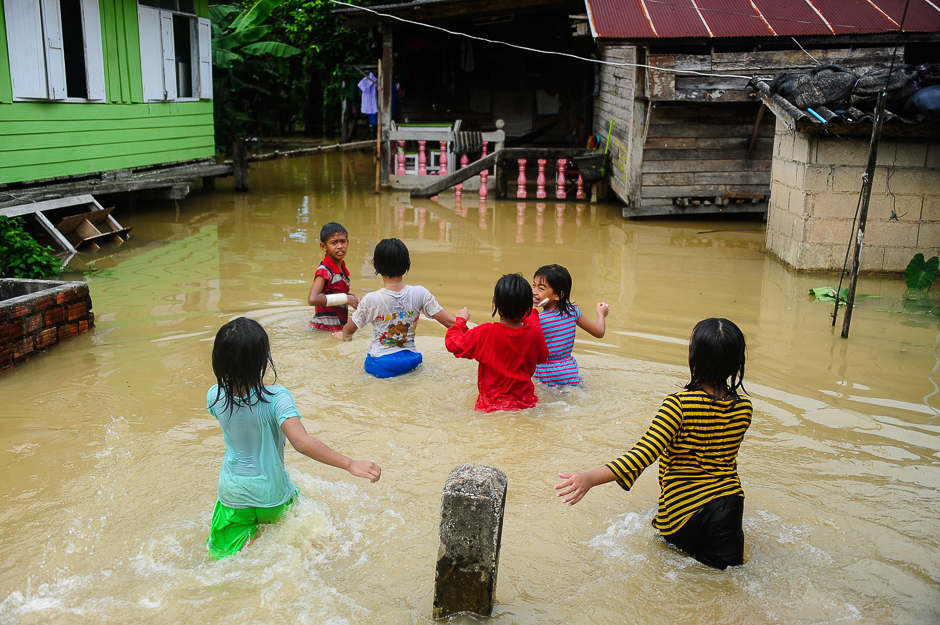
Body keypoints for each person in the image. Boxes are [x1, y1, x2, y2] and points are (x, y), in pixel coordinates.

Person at [555, 318, 752, 569]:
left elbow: (643, 454)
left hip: (683, 512)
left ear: (694, 358)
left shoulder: (679, 405)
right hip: (730, 506)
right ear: (736, 364)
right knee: (722, 583)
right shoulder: (744, 408)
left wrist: (591, 478)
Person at [206, 317, 381, 559]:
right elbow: (301, 442)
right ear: (262, 360)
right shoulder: (277, 398)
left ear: (219, 360)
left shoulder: (214, 396)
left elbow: (243, 418)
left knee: (226, 556)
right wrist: (350, 464)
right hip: (273, 494)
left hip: (233, 496)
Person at [335, 238, 456, 378]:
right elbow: (450, 323)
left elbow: (350, 329)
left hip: (379, 363)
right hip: (411, 362)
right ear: (407, 265)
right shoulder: (420, 293)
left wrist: (344, 336)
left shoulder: (371, 299)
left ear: (374, 264)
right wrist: (463, 319)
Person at [445, 273, 549, 412]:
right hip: (526, 405)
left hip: (491, 407)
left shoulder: (486, 332)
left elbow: (453, 343)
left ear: (495, 303)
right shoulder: (534, 333)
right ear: (528, 306)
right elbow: (542, 358)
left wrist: (461, 321)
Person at [531, 264, 609, 386]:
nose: (534, 292)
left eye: (541, 289)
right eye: (534, 286)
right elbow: (599, 332)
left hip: (546, 374)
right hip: (570, 372)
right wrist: (601, 314)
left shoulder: (538, 320)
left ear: (558, 295)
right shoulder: (573, 311)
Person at [309, 223, 360, 332]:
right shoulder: (324, 270)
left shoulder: (341, 269)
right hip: (324, 329)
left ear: (348, 242)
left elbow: (335, 293)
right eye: (334, 243)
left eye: (343, 241)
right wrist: (346, 299)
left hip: (336, 328)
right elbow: (313, 299)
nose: (340, 246)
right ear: (324, 247)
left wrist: (353, 298)